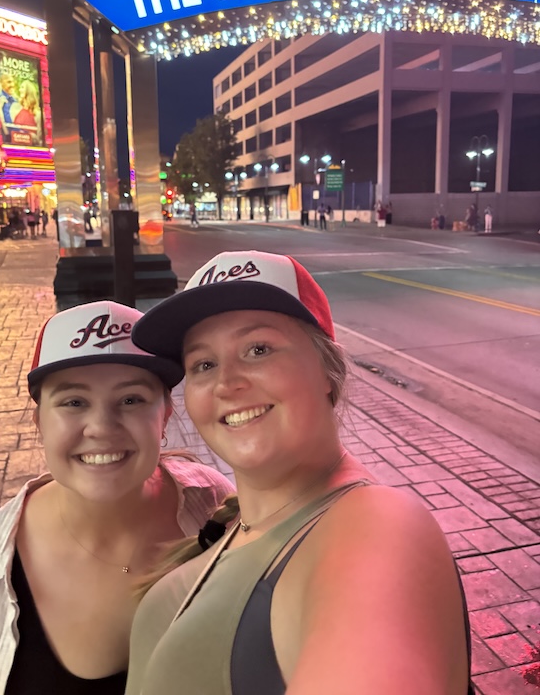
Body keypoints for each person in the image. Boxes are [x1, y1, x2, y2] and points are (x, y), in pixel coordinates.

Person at [126, 250, 474, 695]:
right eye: (203, 364)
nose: (226, 383)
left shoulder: (376, 527)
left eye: (258, 349)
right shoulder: (223, 528)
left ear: (327, 370)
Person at [0, 300, 233, 694]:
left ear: (164, 416)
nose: (100, 427)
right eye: (74, 402)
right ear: (39, 421)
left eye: (131, 400)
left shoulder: (215, 503)